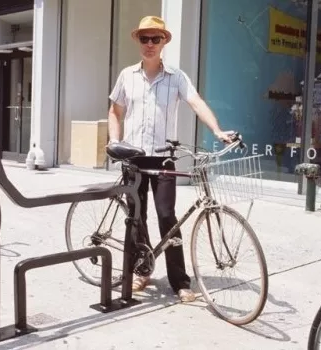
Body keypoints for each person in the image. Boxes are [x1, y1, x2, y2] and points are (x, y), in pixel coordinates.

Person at [107, 15, 232, 302]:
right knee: (136, 218)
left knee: (167, 218)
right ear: (138, 41)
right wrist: (115, 141)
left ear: (164, 42)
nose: (150, 44)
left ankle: (180, 282)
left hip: (163, 159)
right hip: (134, 158)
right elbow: (115, 111)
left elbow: (196, 102)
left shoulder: (176, 77)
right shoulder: (127, 75)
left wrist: (216, 129)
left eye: (156, 39)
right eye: (144, 38)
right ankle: (141, 271)